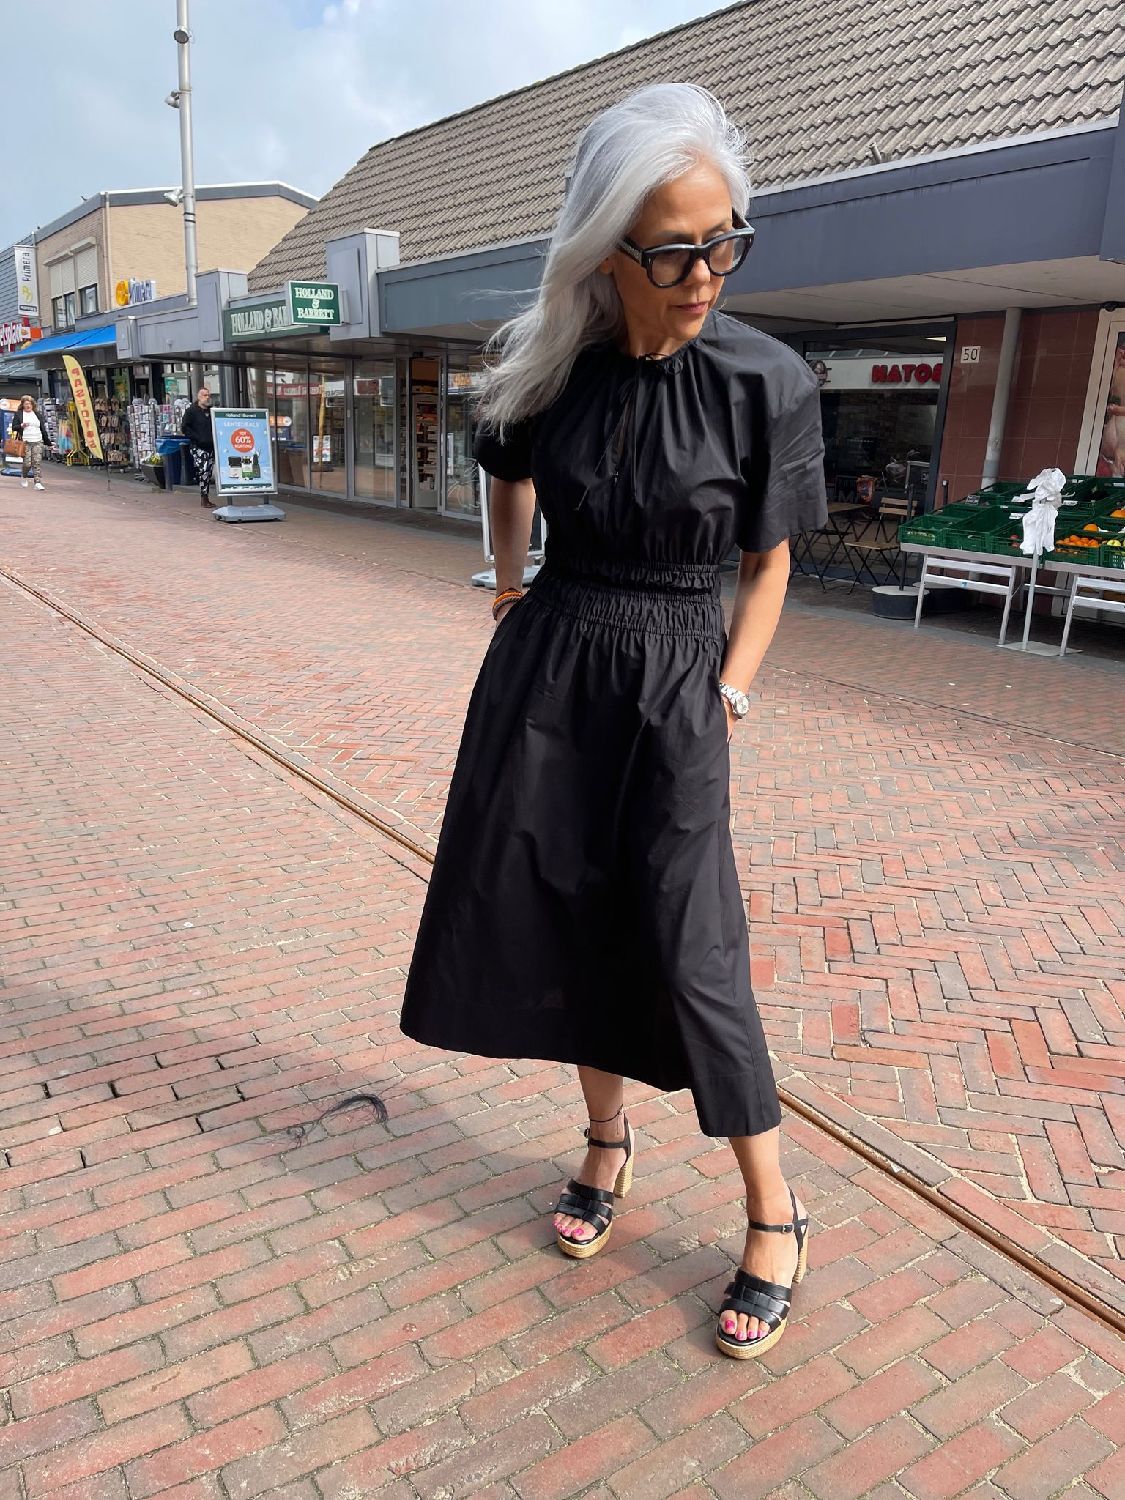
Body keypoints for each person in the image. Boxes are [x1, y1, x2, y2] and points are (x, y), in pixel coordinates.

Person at [400, 83, 827, 1360]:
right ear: (606, 249)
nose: (705, 275)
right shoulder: (550, 366)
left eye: (725, 243)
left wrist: (731, 689)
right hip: (553, 666)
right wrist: (509, 584)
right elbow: (507, 474)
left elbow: (770, 565)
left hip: (683, 672)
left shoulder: (765, 380)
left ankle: (775, 1208)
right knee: (568, 910)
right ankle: (603, 1142)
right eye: (675, 250)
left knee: (693, 942)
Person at [181, 387, 215, 506]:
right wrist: (197, 438)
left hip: (211, 446)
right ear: (199, 397)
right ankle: (204, 497)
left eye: (208, 395)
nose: (207, 397)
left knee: (208, 471)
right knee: (203, 470)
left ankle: (205, 496)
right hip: (198, 446)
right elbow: (185, 427)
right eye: (205, 395)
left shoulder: (211, 412)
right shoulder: (191, 411)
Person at [12, 395, 51, 490]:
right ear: (23, 405)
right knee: (27, 463)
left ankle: (37, 482)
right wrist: (21, 425)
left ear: (33, 405)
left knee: (36, 462)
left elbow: (43, 429)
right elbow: (14, 427)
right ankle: (24, 476)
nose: (28, 405)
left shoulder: (37, 415)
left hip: (37, 441)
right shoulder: (19, 414)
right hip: (25, 441)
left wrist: (48, 443)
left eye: (29, 404)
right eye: (26, 404)